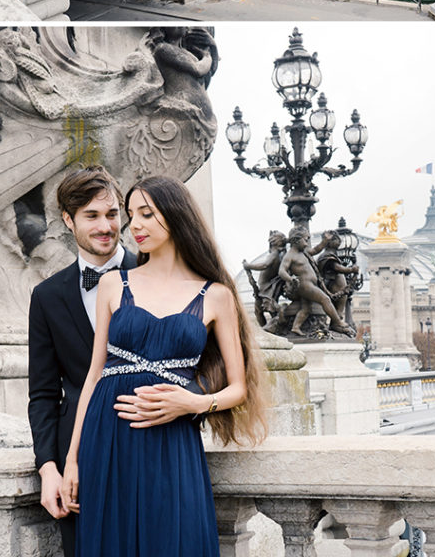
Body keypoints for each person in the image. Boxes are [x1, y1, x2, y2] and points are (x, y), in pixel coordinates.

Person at [61, 175, 267, 557]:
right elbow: (93, 376)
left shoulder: (216, 295)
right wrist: (71, 461)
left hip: (172, 441)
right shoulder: (113, 284)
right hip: (107, 438)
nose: (133, 225)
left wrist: (190, 404)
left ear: (175, 217)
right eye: (131, 215)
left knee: (176, 539)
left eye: (146, 214)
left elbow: (238, 388)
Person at [28, 166, 137, 557]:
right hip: (80, 469)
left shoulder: (153, 271)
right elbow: (42, 394)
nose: (105, 226)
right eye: (91, 216)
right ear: (68, 220)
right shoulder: (46, 296)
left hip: (149, 445)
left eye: (112, 214)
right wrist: (48, 467)